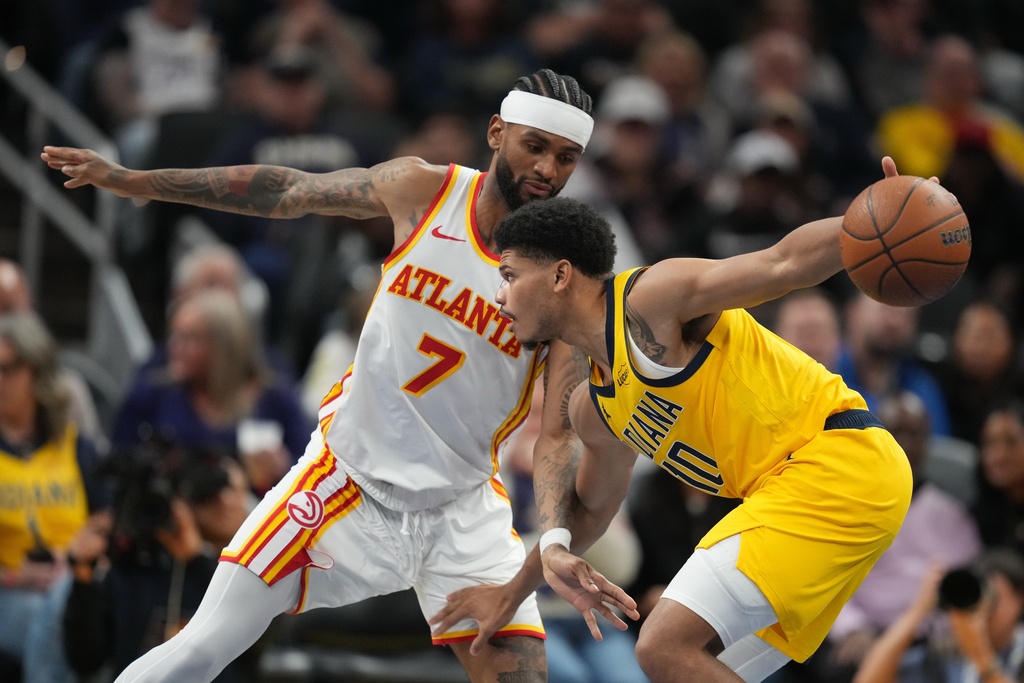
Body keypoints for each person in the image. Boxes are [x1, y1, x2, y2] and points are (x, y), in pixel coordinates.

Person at [41, 69, 629, 683]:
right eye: (534, 146)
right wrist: (136, 182)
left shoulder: (564, 276)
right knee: (199, 649)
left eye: (566, 157)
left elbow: (559, 433)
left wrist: (554, 538)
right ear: (496, 132)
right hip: (345, 483)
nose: (546, 170)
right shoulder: (424, 192)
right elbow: (290, 190)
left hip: (461, 508)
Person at [487, 160, 916, 682]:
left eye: (509, 276)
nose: (499, 296)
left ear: (559, 275)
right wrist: (534, 570)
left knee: (663, 646)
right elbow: (591, 511)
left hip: (833, 462)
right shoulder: (594, 408)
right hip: (808, 491)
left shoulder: (651, 299)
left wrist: (878, 220)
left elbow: (783, 263)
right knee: (683, 669)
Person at [810, 391, 982, 683]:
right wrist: (852, 628)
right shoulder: (846, 506)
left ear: (927, 443)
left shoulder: (951, 513)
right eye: (895, 433)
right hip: (867, 632)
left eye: (915, 434)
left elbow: (969, 586)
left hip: (933, 636)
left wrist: (954, 625)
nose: (905, 443)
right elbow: (822, 580)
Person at [62, 451, 257, 682]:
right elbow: (85, 661)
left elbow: (253, 652)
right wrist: (83, 577)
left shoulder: (236, 571)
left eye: (233, 490)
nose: (225, 502)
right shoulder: (128, 571)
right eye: (213, 494)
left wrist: (196, 559)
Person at [110, 289, 312, 497]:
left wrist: (285, 467)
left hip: (252, 516)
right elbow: (116, 465)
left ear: (224, 344)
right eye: (173, 335)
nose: (174, 347)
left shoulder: (275, 398)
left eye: (189, 338)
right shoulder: (151, 394)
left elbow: (310, 468)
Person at [0, 312, 112, 682]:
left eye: (7, 369)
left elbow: (108, 513)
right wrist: (15, 577)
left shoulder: (72, 443)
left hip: (76, 580)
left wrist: (76, 552)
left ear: (36, 372)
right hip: (9, 592)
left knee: (72, 603)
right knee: (57, 619)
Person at [851, 548, 1024, 683]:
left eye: (995, 597)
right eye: (980, 597)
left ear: (1019, 600)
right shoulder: (945, 652)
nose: (985, 608)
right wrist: (919, 609)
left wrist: (979, 654)